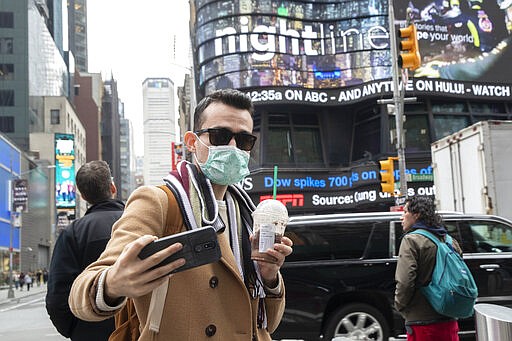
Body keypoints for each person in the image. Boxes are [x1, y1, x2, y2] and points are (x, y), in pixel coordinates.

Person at [69, 89, 293, 340]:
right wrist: (113, 283)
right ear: (192, 142)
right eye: (220, 136)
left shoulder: (247, 212)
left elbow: (268, 324)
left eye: (243, 141)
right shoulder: (159, 201)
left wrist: (269, 276)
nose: (233, 147)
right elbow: (81, 293)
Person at [46, 160, 125, 341]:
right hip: (139, 329)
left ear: (82, 196)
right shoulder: (139, 222)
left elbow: (57, 295)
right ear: (113, 187)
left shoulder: (73, 233)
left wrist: (75, 330)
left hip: (89, 331)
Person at [394, 196, 462, 341]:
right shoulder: (450, 241)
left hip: (422, 322)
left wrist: (400, 306)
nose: (401, 217)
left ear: (416, 215)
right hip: (449, 319)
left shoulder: (411, 241)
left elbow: (405, 282)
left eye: (405, 212)